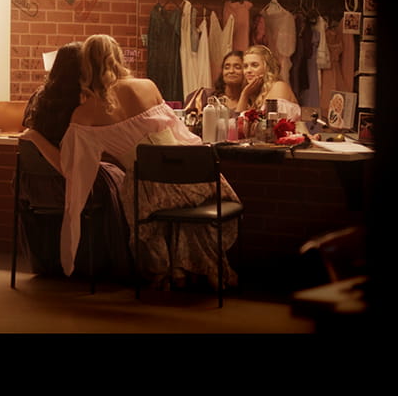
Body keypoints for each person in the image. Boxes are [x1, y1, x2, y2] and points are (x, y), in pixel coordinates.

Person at [53, 34, 241, 291]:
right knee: (184, 205)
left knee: (158, 203)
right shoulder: (147, 86)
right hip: (192, 179)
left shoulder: (85, 113)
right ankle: (203, 268)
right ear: (117, 57)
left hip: (145, 191)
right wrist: (198, 159)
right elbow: (181, 134)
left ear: (85, 65)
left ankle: (173, 270)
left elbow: (74, 164)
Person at [18, 42, 131, 279]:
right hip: (69, 184)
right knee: (121, 179)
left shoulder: (38, 98)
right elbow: (73, 166)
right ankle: (115, 258)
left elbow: (28, 133)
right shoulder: (84, 103)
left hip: (33, 186)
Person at [235, 44, 301, 120]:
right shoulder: (255, 93)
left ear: (267, 68)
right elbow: (237, 124)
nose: (248, 71)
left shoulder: (279, 86)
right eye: (245, 66)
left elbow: (274, 124)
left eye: (254, 65)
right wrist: (244, 95)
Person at [182, 50, 245, 115]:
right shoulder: (204, 96)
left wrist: (245, 94)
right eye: (227, 67)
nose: (231, 71)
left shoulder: (249, 103)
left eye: (237, 67)